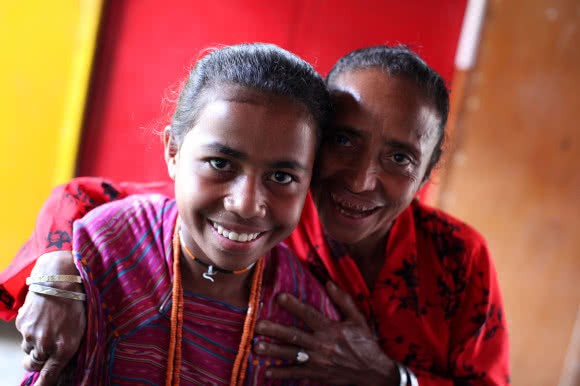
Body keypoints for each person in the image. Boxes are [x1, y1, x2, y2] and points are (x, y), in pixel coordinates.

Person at [3, 45, 510, 385]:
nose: (359, 179)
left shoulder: (457, 260)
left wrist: (389, 378)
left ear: (427, 174)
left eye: (399, 158)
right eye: (343, 142)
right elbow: (87, 200)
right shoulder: (264, 210)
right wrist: (57, 270)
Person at [17, 42, 360, 385]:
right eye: (220, 164)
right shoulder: (106, 253)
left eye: (282, 177)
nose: (245, 204)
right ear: (173, 152)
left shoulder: (306, 317)